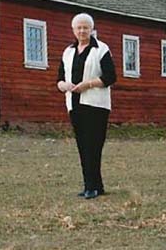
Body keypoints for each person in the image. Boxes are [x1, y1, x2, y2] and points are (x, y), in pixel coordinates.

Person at [56, 13, 117, 199]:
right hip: (75, 105)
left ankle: (93, 186)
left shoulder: (101, 49)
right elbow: (59, 79)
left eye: (86, 27)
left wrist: (88, 84)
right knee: (82, 145)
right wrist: (63, 86)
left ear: (92, 29)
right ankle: (92, 185)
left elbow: (110, 77)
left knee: (93, 145)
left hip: (96, 105)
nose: (82, 31)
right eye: (79, 28)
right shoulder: (68, 52)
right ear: (73, 30)